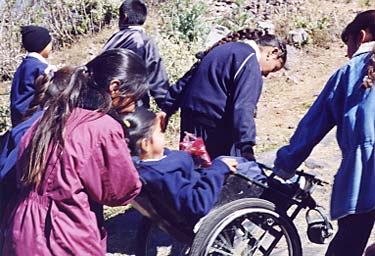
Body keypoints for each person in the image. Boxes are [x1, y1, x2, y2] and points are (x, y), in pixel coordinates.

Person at [0, 48, 149, 255]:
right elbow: (119, 192)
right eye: (135, 97)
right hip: (62, 235)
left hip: (22, 228)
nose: (134, 107)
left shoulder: (54, 114)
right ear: (115, 87)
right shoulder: (101, 127)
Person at [272, 10, 375, 256]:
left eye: (347, 45)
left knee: (348, 243)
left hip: (363, 175)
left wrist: (284, 165)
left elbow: (312, 126)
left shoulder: (349, 72)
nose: (346, 53)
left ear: (360, 37)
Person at [163, 28, 287, 161]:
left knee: (192, 169)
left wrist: (167, 108)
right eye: (273, 68)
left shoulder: (222, 49)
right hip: (215, 131)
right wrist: (246, 147)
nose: (267, 75)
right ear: (273, 53)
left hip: (190, 123)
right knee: (220, 175)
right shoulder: (250, 61)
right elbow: (244, 107)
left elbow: (187, 79)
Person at [123, 107, 238, 225]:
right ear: (145, 144)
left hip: (174, 211)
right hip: (207, 202)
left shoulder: (138, 170)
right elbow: (198, 205)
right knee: (243, 168)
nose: (163, 135)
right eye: (159, 132)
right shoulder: (165, 175)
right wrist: (217, 169)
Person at [102, 0, 170, 111]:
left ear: (124, 17)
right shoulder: (145, 42)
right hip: (134, 105)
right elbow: (157, 78)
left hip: (108, 104)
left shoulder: (112, 41)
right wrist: (166, 106)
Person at [10, 25, 55, 127]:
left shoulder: (24, 66)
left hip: (19, 120)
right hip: (32, 121)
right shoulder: (41, 68)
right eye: (49, 43)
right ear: (42, 45)